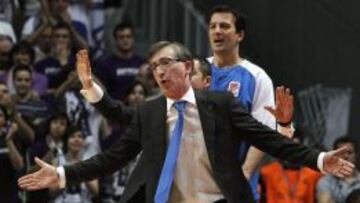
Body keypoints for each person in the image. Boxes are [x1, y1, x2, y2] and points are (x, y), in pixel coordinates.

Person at [19, 42, 355, 203]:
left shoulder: (221, 105)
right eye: (154, 67)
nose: (160, 71)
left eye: (166, 63)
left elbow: (268, 141)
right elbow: (111, 158)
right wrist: (61, 174)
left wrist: (321, 159)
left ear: (189, 67)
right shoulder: (150, 112)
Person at [207, 5, 279, 200]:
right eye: (212, 26)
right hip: (196, 189)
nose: (217, 31)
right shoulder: (196, 72)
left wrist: (244, 175)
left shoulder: (257, 77)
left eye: (224, 26)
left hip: (237, 189)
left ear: (240, 35)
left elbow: (264, 133)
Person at [95, 22, 146, 100]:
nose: (125, 40)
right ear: (116, 40)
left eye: (128, 37)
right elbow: (101, 93)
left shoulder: (142, 63)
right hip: (116, 110)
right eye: (121, 37)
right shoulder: (105, 65)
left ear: (133, 39)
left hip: (140, 109)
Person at [317, 136, 360, 203]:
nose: (346, 156)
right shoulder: (325, 182)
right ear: (334, 156)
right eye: (342, 153)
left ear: (356, 155)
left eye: (350, 152)